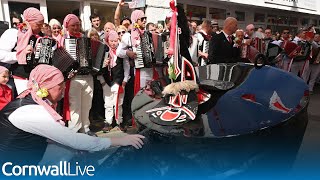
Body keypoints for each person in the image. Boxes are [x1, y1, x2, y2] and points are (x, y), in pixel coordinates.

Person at [0, 64, 144, 165]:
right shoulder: (32, 112)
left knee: (72, 150)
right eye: (60, 84)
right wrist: (121, 140)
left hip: (21, 156)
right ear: (46, 88)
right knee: (73, 149)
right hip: (13, 168)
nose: (64, 87)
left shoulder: (31, 99)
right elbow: (73, 140)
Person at [0, 8, 44, 97]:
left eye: (42, 25)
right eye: (38, 24)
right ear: (28, 21)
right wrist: (20, 55)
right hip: (19, 79)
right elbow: (1, 55)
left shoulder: (40, 37)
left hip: (37, 80)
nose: (40, 27)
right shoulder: (13, 33)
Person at [98, 30, 130, 132]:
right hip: (107, 82)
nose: (113, 43)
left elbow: (126, 66)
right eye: (111, 41)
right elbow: (99, 68)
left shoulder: (121, 52)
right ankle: (108, 121)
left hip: (118, 81)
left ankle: (119, 121)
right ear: (107, 40)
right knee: (108, 103)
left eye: (115, 41)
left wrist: (125, 80)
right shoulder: (104, 51)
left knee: (119, 103)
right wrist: (102, 80)